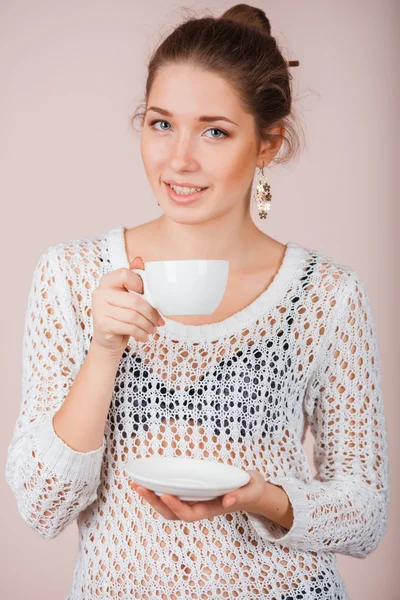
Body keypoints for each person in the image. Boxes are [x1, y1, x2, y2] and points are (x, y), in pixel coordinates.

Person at [5, 4, 390, 600]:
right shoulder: (71, 275)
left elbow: (365, 515)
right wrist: (104, 349)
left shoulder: (327, 295)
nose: (179, 159)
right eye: (161, 123)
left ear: (268, 142)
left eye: (215, 130)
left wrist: (262, 498)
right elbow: (42, 505)